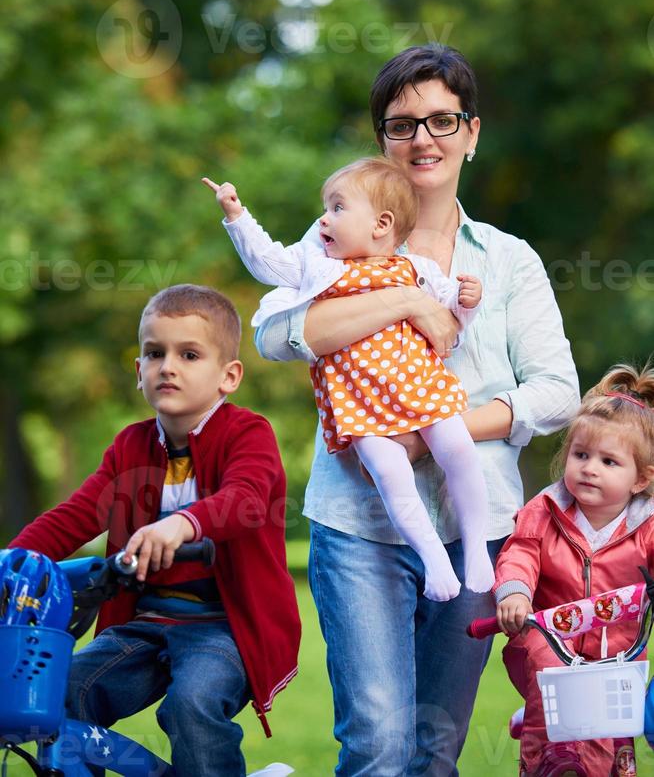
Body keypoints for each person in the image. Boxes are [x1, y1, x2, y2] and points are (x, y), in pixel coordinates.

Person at [254, 44, 580, 776]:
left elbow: (557, 390)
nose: (422, 139)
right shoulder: (330, 242)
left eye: (442, 120)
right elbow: (276, 333)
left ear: (472, 133)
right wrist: (401, 299)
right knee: (376, 744)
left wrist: (438, 434)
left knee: (435, 752)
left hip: (479, 526)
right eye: (402, 125)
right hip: (358, 526)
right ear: (383, 142)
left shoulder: (506, 260)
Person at [10, 284, 301, 777]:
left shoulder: (248, 434)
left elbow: (246, 499)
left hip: (222, 626)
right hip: (145, 623)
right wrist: (11, 562)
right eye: (154, 353)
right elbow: (75, 516)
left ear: (228, 376)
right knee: (63, 691)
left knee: (192, 703)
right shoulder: (130, 446)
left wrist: (183, 524)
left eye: (189, 354)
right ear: (139, 372)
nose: (168, 366)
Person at [203, 157, 494, 601]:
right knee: (390, 474)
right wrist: (237, 216)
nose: (323, 218)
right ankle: (434, 558)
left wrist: (467, 299)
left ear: (381, 225)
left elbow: (453, 319)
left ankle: (476, 548)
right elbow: (267, 263)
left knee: (459, 452)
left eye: (338, 208)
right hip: (358, 402)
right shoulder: (319, 268)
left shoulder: (416, 268)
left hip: (421, 386)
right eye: (326, 207)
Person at [494, 362, 654, 776]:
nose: (590, 467)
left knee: (610, 733)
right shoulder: (545, 512)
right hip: (549, 637)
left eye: (608, 461)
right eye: (581, 455)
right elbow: (522, 551)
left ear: (641, 479)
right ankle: (551, 760)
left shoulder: (648, 527)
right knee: (551, 678)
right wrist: (514, 590)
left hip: (615, 651)